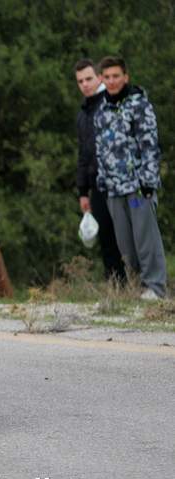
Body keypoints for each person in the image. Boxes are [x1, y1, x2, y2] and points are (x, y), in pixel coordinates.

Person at [95, 56, 167, 300]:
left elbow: (150, 145)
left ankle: (155, 287)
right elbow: (100, 150)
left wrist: (148, 181)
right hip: (114, 189)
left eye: (116, 76)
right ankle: (137, 289)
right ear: (102, 80)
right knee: (125, 245)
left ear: (125, 77)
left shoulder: (139, 105)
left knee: (145, 239)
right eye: (107, 77)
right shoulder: (101, 111)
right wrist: (103, 182)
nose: (112, 81)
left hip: (138, 189)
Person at [74, 59, 126, 283]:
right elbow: (83, 155)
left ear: (99, 77)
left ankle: (140, 282)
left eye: (89, 78)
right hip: (96, 184)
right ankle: (116, 285)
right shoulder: (83, 113)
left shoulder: (111, 103)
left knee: (125, 234)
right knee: (105, 235)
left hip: (120, 182)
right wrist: (83, 191)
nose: (85, 84)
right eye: (80, 81)